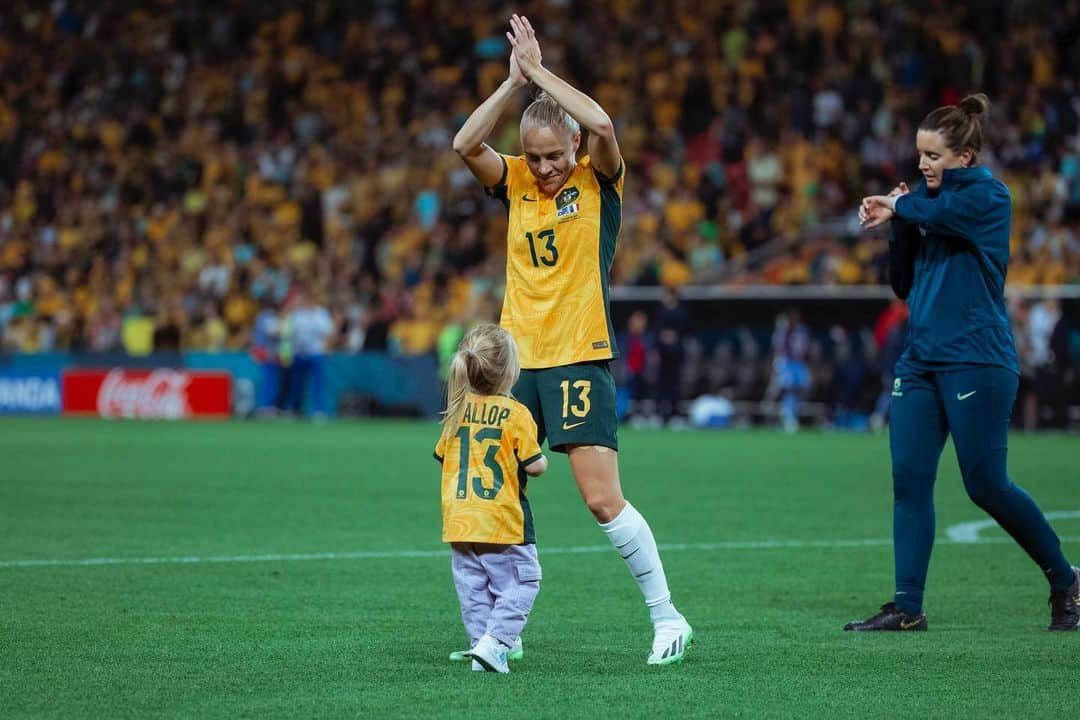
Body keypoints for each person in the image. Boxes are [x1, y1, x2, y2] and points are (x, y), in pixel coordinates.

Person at [452, 14, 692, 664]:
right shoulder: (516, 184)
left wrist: (539, 74)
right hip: (515, 363)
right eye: (533, 156)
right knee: (500, 495)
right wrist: (510, 87)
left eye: (554, 154)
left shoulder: (598, 178)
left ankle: (667, 617)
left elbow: (606, 125)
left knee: (599, 497)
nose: (545, 166)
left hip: (580, 356)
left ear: (573, 147)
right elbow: (463, 144)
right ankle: (505, 628)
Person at [849, 93, 1079, 632]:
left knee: (986, 484)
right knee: (908, 479)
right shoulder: (925, 205)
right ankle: (907, 607)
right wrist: (901, 227)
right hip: (921, 361)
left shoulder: (988, 197)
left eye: (933, 156)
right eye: (920, 156)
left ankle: (1066, 579)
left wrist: (901, 207)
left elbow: (945, 214)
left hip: (978, 360)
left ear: (965, 158)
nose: (924, 165)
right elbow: (903, 284)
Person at [435, 324, 548, 673]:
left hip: (459, 517)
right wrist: (542, 458)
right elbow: (535, 467)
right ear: (509, 371)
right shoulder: (516, 414)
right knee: (523, 580)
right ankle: (497, 642)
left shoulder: (457, 409)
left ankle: (480, 644)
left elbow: (444, 456)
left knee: (473, 587)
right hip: (500, 518)